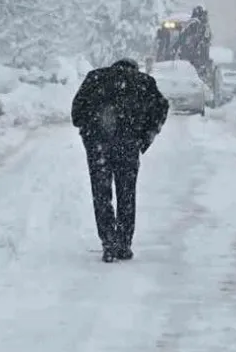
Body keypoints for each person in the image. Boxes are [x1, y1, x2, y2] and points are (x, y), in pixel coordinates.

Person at [71, 58, 170, 263]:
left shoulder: (95, 78)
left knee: (101, 194)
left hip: (99, 146)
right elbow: (162, 108)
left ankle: (108, 242)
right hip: (128, 146)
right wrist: (145, 137)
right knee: (127, 194)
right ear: (133, 69)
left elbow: (76, 113)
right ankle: (124, 243)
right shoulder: (144, 83)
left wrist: (89, 133)